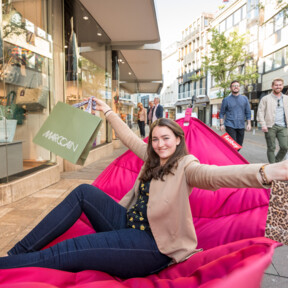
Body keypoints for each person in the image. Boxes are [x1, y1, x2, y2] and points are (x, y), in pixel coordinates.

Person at [1, 97, 288, 278]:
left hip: (152, 246)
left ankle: (5, 267)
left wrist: (266, 171)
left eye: (166, 138)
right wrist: (108, 112)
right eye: (155, 139)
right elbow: (128, 138)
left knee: (69, 250)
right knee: (83, 192)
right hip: (127, 224)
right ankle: (16, 254)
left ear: (177, 139)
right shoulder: (152, 158)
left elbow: (218, 176)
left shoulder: (187, 166)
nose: (160, 144)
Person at [257, 78, 288, 163]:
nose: (278, 86)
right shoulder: (265, 98)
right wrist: (263, 124)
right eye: (276, 85)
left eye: (280, 85)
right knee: (271, 147)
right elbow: (260, 112)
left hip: (283, 126)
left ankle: (275, 163)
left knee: (285, 147)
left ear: (282, 86)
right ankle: (272, 166)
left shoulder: (286, 98)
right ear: (272, 86)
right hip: (270, 126)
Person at [219, 80, 251, 147]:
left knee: (239, 145)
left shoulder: (245, 98)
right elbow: (222, 113)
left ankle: (229, 155)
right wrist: (221, 124)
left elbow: (248, 112)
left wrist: (249, 124)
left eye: (237, 86)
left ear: (239, 87)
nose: (235, 87)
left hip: (241, 125)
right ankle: (230, 157)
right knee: (233, 145)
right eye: (233, 86)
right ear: (230, 88)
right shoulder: (226, 100)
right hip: (230, 125)